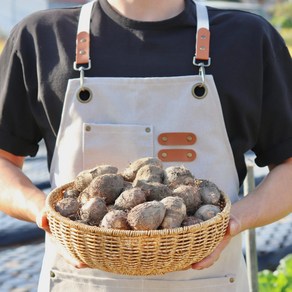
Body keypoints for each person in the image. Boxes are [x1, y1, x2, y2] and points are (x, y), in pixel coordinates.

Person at [0, 0, 291, 291]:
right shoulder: (40, 38)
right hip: (81, 282)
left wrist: (234, 221)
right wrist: (45, 213)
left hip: (209, 281)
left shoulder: (248, 39)